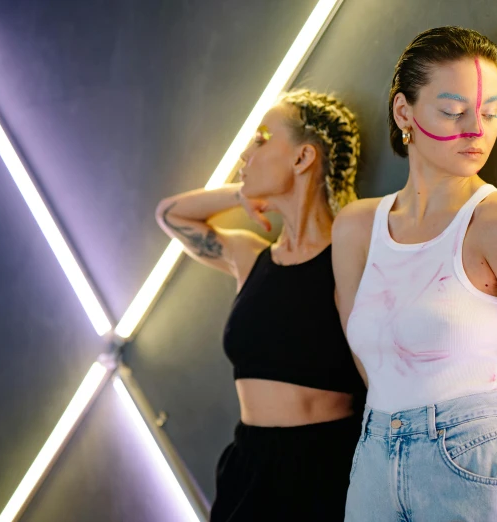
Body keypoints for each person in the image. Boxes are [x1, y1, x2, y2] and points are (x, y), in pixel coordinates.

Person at [332, 27, 497, 521]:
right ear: (403, 112)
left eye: (490, 111)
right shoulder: (355, 227)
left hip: (476, 462)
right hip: (373, 457)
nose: (477, 129)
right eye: (454, 111)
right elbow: (370, 357)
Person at [156, 89, 365, 521]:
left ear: (302, 157)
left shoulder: (351, 256)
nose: (244, 155)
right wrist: (242, 194)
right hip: (247, 464)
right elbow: (170, 215)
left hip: (323, 470)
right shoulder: (251, 256)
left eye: (262, 139)